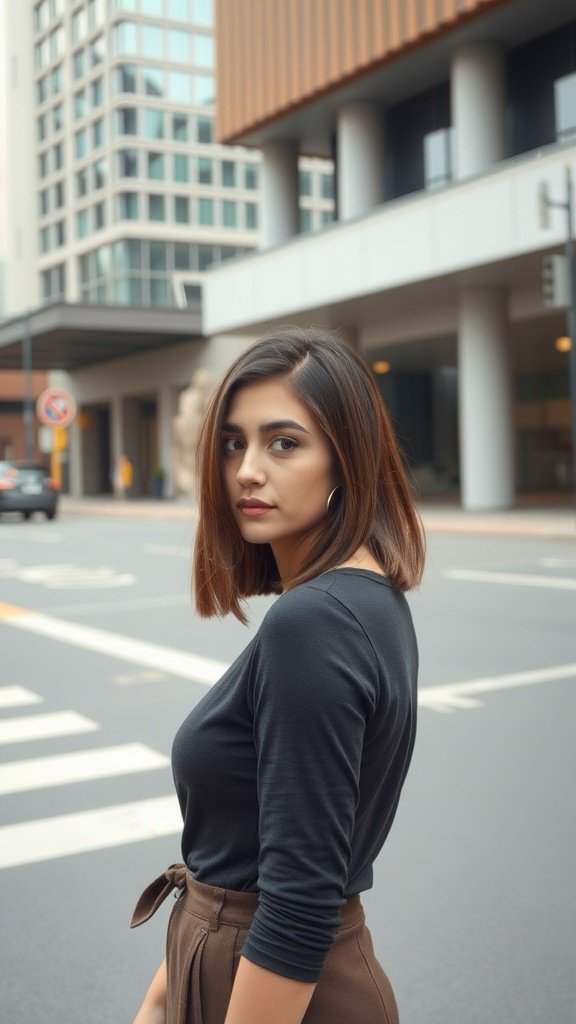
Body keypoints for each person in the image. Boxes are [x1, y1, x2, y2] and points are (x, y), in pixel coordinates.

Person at [131, 327, 425, 1024]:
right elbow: (243, 857)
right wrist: (159, 1001)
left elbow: (296, 901)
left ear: (346, 462)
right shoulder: (366, 599)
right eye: (233, 442)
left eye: (284, 443)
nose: (246, 470)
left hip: (273, 994)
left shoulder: (314, 622)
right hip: (244, 975)